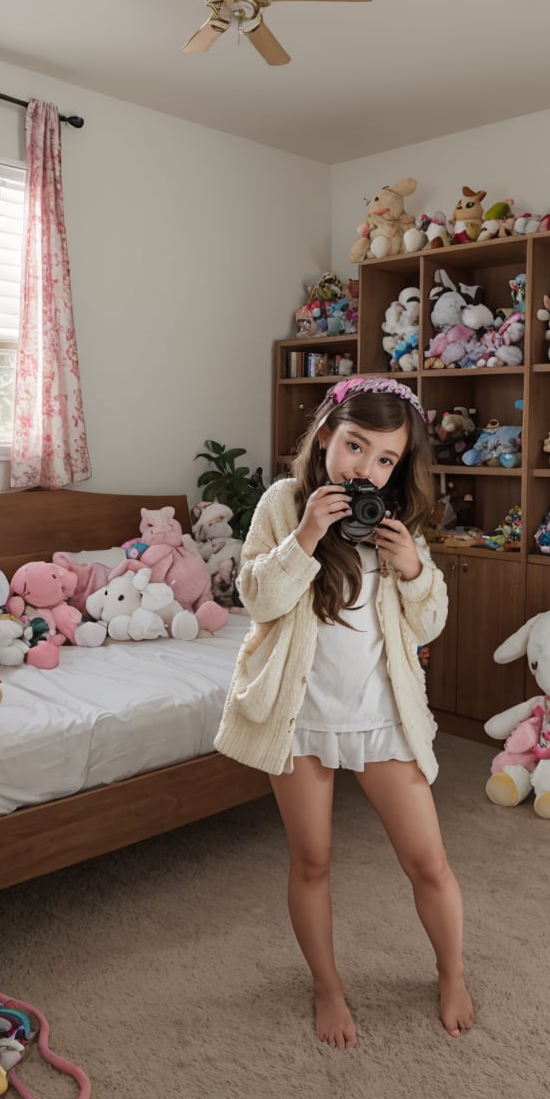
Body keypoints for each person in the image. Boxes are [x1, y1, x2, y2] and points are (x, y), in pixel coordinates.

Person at [215, 375, 474, 1048]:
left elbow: (431, 625)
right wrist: (305, 535)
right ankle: (327, 989)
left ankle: (451, 972)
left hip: (381, 715)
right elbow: (256, 599)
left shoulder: (393, 516)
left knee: (428, 862)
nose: (367, 468)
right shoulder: (283, 503)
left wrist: (415, 567)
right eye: (355, 446)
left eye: (385, 458)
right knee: (313, 861)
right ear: (327, 433)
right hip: (299, 719)